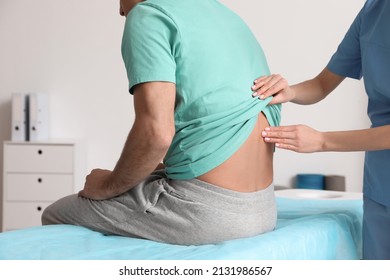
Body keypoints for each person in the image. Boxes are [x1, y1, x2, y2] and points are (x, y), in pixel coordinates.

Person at [42, 0, 281, 245]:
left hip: (207, 215)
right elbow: (219, 122)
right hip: (262, 208)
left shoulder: (148, 15)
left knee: (56, 213)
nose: (121, 10)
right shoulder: (224, 14)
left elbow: (156, 134)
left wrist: (107, 184)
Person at [252, 0, 390, 259]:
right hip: (381, 182)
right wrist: (289, 91)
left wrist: (322, 141)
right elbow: (321, 84)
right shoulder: (374, 9)